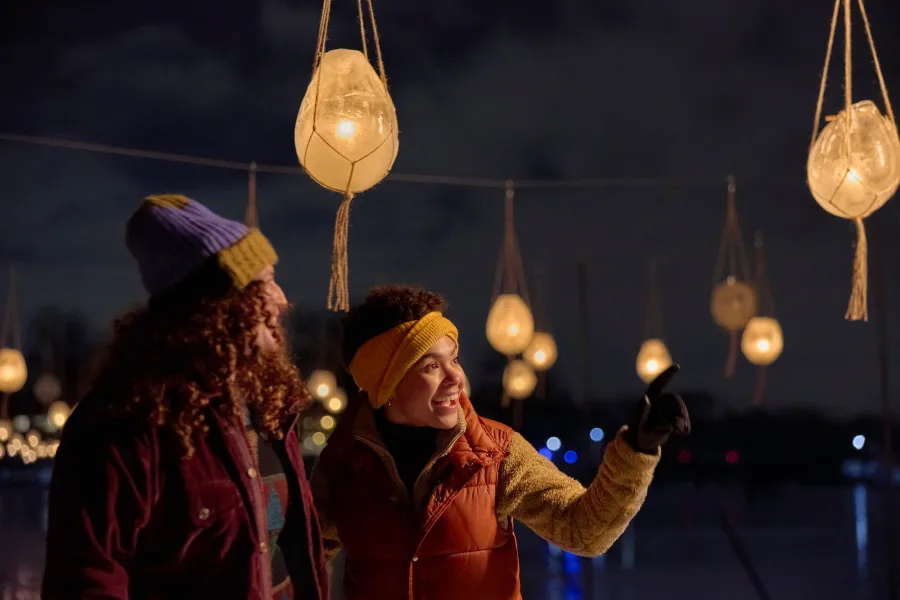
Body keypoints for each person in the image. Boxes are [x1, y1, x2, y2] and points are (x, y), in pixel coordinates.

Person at [310, 285, 690, 599]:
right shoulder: (342, 463)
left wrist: (636, 452)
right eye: (431, 366)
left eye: (454, 359)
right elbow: (302, 563)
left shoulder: (496, 451)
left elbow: (582, 530)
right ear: (386, 385)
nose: (455, 378)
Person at [42, 195, 329, 600]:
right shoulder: (125, 423)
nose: (282, 300)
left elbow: (296, 548)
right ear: (219, 305)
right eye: (265, 281)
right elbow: (88, 580)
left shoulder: (269, 406)